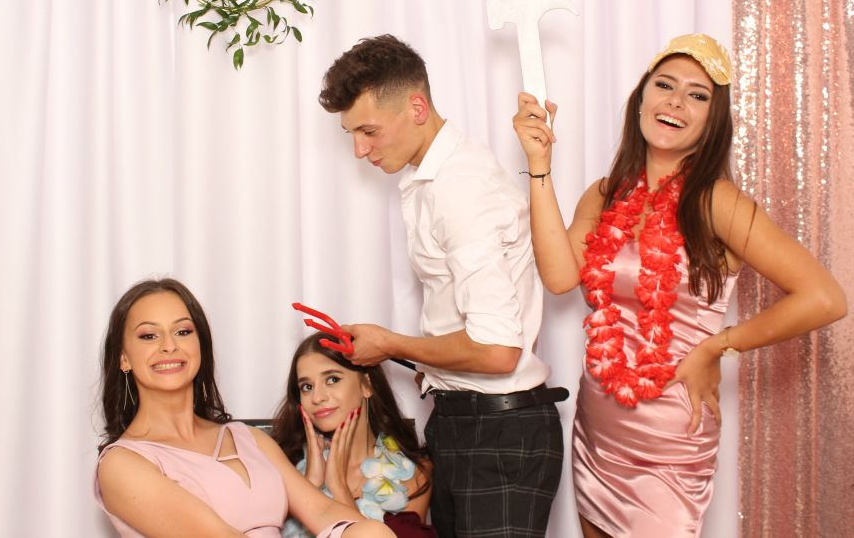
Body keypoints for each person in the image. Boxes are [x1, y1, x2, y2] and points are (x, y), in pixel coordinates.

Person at [511, 33, 847, 537]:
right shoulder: (605, 195)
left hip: (670, 433)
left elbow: (824, 298)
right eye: (665, 85)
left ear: (713, 120)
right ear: (640, 99)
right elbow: (560, 277)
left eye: (697, 95)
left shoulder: (716, 202)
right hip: (600, 422)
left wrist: (718, 345)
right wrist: (539, 167)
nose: (675, 102)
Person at [318, 34, 567, 538]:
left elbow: (497, 351)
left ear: (416, 107)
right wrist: (433, 366)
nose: (359, 149)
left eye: (368, 131)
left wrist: (390, 344)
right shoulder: (433, 178)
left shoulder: (460, 188)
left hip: (497, 435)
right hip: (466, 423)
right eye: (351, 134)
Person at [94, 278, 396, 538]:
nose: (169, 345)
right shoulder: (121, 464)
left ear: (201, 346)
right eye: (148, 336)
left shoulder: (248, 438)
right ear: (123, 358)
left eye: (183, 332)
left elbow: (322, 511)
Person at [271, 333, 433, 537]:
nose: (317, 397)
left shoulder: (414, 474)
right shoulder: (281, 466)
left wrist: (339, 489)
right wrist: (309, 484)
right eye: (307, 387)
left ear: (366, 385)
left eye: (332, 379)